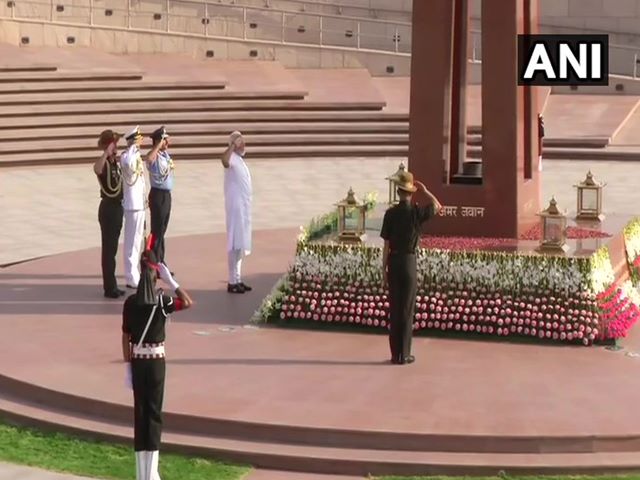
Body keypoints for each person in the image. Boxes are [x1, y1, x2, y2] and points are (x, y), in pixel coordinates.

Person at [122, 245, 193, 480]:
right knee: (153, 415)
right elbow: (188, 302)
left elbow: (125, 337)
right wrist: (171, 281)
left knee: (139, 414)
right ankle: (151, 473)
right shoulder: (162, 302)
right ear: (156, 273)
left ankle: (141, 473)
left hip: (137, 362)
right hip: (155, 364)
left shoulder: (131, 303)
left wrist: (127, 367)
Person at [380, 170, 442, 365]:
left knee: (395, 309)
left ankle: (394, 353)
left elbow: (386, 244)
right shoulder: (416, 212)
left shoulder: (390, 213)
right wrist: (426, 191)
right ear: (411, 192)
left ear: (398, 192)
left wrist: (383, 269)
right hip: (409, 262)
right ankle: (405, 354)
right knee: (407, 310)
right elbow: (438, 206)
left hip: (393, 261)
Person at [94, 129, 125, 299]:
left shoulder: (114, 162)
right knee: (108, 251)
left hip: (117, 207)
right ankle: (109, 287)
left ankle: (112, 284)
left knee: (112, 250)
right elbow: (97, 169)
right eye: (114, 143)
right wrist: (105, 153)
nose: (117, 146)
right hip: (108, 208)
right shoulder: (104, 162)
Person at [221, 131, 252, 294]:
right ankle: (232, 281)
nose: (243, 145)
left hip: (243, 208)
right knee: (234, 244)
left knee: (240, 244)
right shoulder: (231, 157)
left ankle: (238, 279)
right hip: (235, 208)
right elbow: (223, 160)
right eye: (240, 142)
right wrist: (232, 145)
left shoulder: (240, 160)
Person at [121, 126, 146, 289]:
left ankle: (135, 273)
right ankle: (131, 276)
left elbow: (142, 181)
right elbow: (129, 166)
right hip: (131, 204)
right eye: (137, 140)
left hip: (139, 203)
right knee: (131, 242)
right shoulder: (126, 156)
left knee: (137, 241)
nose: (140, 143)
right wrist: (131, 148)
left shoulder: (136, 155)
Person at [146, 126, 174, 266]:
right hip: (157, 195)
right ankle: (153, 261)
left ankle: (160, 260)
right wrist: (157, 145)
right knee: (156, 230)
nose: (167, 142)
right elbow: (149, 159)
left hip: (166, 195)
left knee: (162, 229)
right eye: (165, 140)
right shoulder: (155, 156)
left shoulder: (165, 156)